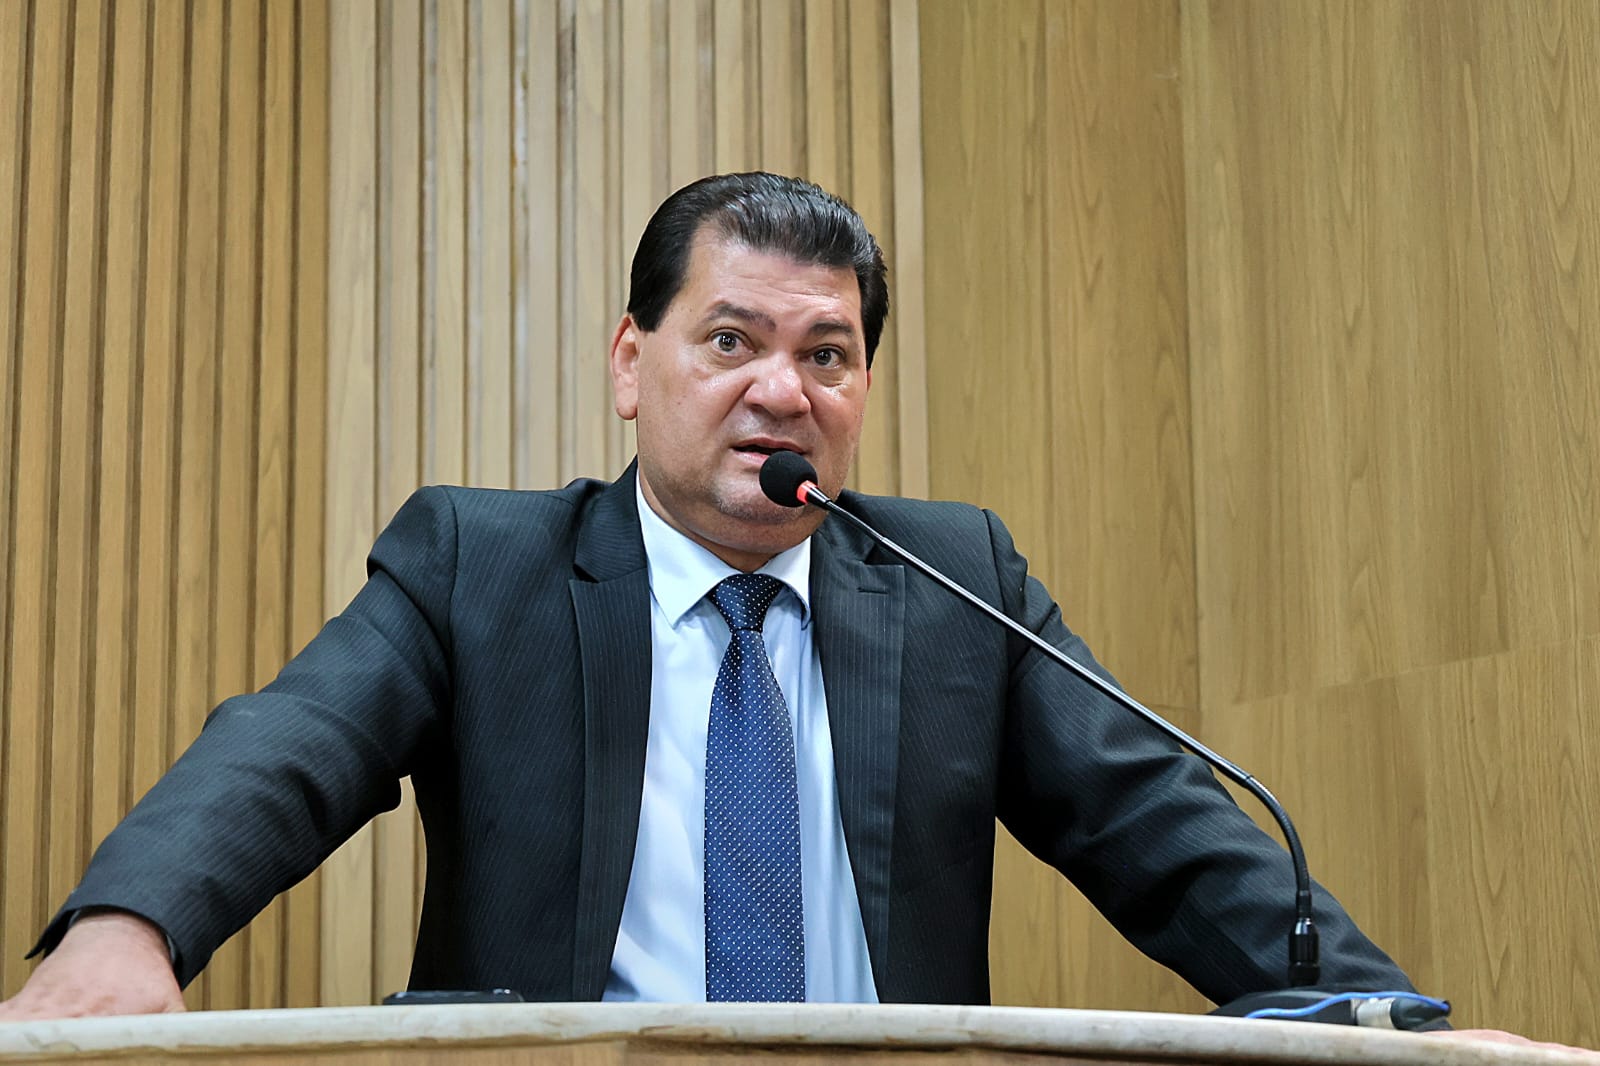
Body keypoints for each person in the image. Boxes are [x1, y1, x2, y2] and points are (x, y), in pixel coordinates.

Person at [0, 174, 1583, 1050]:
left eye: (827, 354)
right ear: (632, 364)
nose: (783, 389)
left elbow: (1162, 824)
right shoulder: (484, 563)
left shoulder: (953, 580)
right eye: (732, 340)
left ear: (862, 387)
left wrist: (1384, 1020)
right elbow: (290, 743)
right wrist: (132, 923)